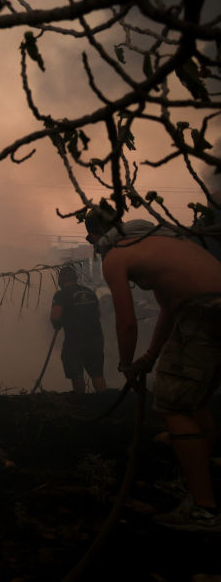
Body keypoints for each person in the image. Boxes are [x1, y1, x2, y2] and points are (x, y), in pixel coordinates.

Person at [85, 208, 221, 531]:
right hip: (208, 311)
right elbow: (169, 308)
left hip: (205, 314)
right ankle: (202, 478)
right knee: (193, 399)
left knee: (173, 402)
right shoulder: (160, 241)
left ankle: (205, 510)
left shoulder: (115, 257)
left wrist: (126, 364)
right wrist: (148, 357)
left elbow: (127, 322)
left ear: (94, 237)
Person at [50, 265, 107, 393]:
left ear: (61, 280)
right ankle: (105, 400)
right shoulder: (89, 292)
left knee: (76, 373)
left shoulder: (61, 294)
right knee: (97, 373)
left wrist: (57, 324)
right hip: (96, 339)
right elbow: (98, 314)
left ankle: (81, 400)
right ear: (75, 278)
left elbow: (55, 316)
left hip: (75, 340)